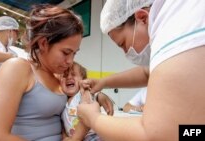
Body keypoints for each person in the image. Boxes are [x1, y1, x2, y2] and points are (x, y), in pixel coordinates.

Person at [0, 4, 113, 141]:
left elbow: (74, 100)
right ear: (43, 43)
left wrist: (97, 96)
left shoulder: (58, 76)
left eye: (74, 54)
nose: (70, 61)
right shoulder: (18, 68)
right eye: (66, 52)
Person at [77, 0, 205, 141]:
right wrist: (103, 82)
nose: (125, 52)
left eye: (123, 44)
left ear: (143, 18)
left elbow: (159, 134)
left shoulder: (176, 25)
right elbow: (146, 73)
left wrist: (93, 119)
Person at [60, 62, 103, 141]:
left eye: (73, 74)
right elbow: (62, 125)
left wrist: (101, 96)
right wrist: (65, 137)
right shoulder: (61, 101)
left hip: (92, 136)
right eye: (65, 75)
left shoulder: (82, 94)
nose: (69, 77)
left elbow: (95, 96)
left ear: (83, 81)